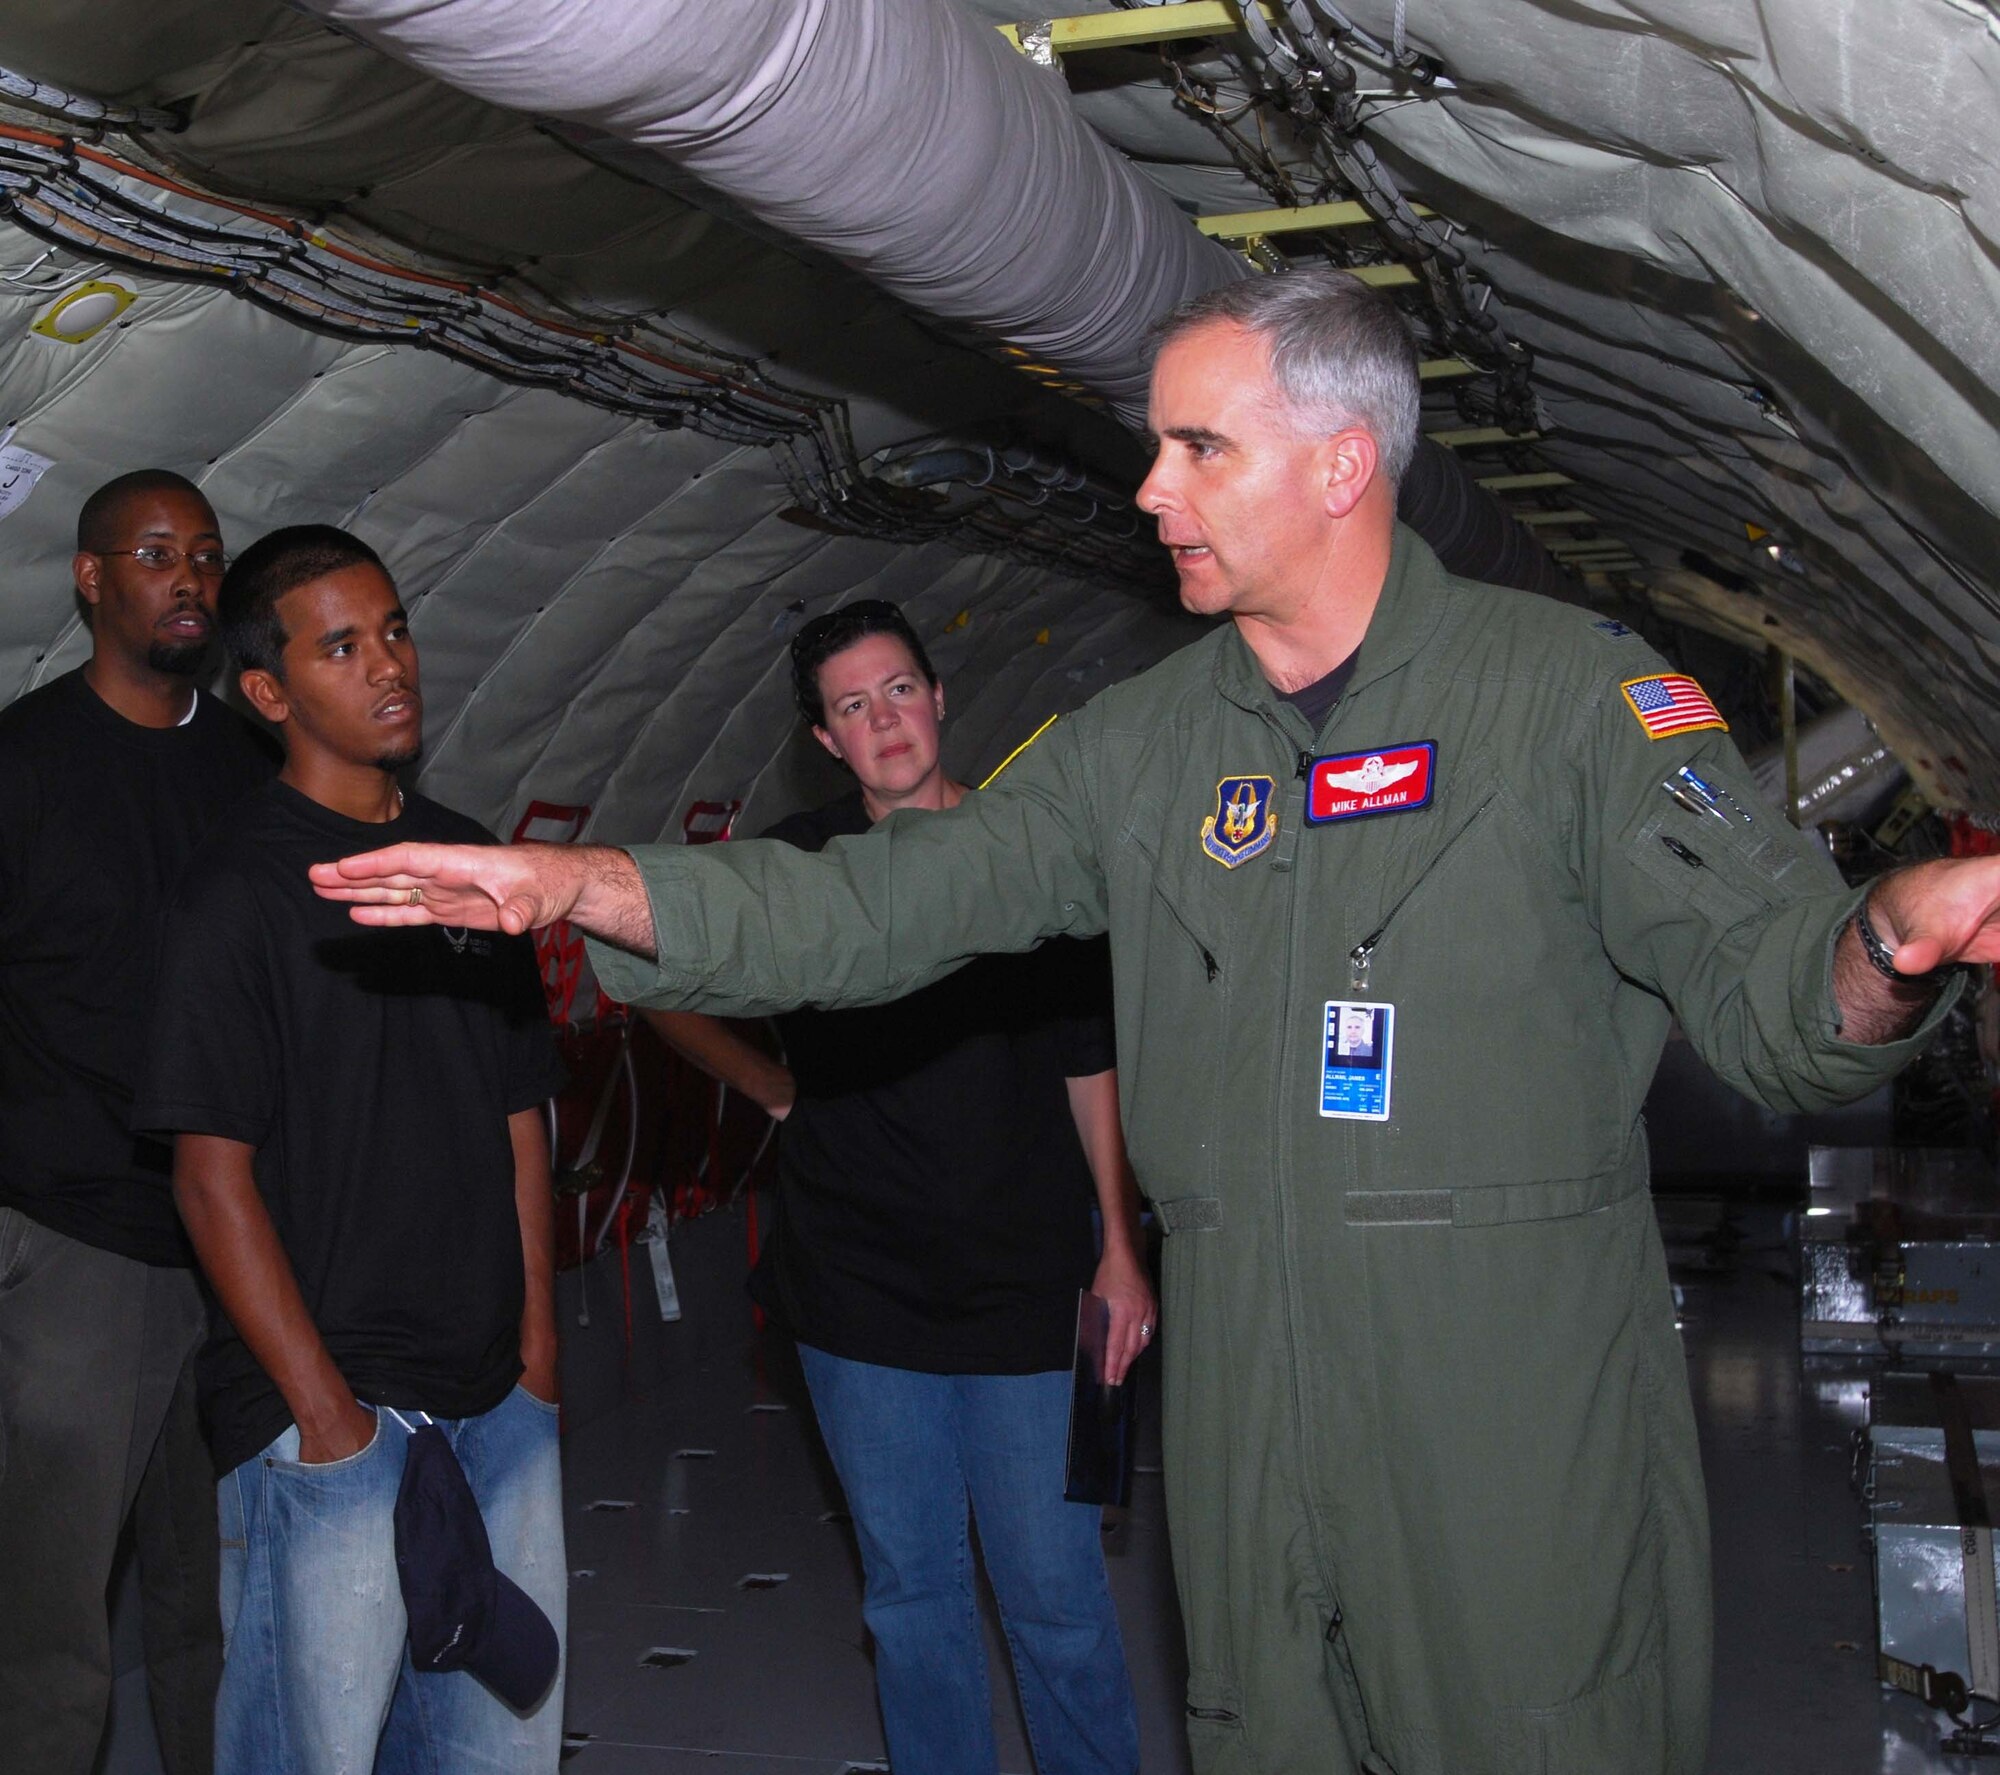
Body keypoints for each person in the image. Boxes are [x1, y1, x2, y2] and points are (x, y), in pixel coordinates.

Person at [309, 270, 2000, 1775]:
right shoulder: (1148, 744)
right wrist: (590, 888)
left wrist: (1888, 937)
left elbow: (1783, 1001)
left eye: (1198, 450)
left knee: (1536, 1720)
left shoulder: (1568, 700)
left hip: (1503, 1380)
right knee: (1260, 1725)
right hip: (1246, 1381)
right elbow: (891, 903)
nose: (1149, 490)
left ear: (1342, 464)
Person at [650, 598, 1151, 1775]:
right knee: (911, 1597)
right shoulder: (801, 862)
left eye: (897, 690)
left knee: (1057, 1596)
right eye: (850, 706)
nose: (882, 719)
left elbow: (1092, 1064)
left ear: (938, 696)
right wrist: (770, 1084)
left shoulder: (1032, 851)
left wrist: (1117, 1247)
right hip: (858, 1293)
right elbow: (658, 969)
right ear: (825, 738)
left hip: (1036, 1289)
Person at [134, 525, 567, 1774]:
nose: (387, 664)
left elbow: (517, 1115)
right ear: (270, 693)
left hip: (495, 1394)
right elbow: (208, 1178)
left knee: (499, 1747)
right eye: (340, 644)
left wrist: (536, 1347)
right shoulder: (235, 897)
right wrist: (327, 1417)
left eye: (393, 629)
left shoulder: (469, 858)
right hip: (330, 1422)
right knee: (309, 1752)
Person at [0, 470, 273, 1774]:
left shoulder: (251, 768)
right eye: (156, 553)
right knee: (52, 1624)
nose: (190, 578)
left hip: (230, 1235)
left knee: (204, 1596)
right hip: (77, 1241)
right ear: (92, 579)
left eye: (209, 556)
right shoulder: (23, 762)